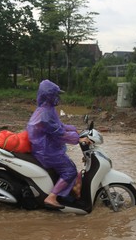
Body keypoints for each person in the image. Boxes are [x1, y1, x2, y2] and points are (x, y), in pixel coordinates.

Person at [26, 80, 90, 209]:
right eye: (55, 94)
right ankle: (52, 197)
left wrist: (75, 130)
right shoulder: (45, 113)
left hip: (47, 148)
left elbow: (60, 126)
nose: (58, 97)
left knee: (70, 166)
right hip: (46, 150)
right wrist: (78, 139)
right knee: (70, 170)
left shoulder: (47, 109)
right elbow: (58, 133)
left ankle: (68, 193)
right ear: (49, 95)